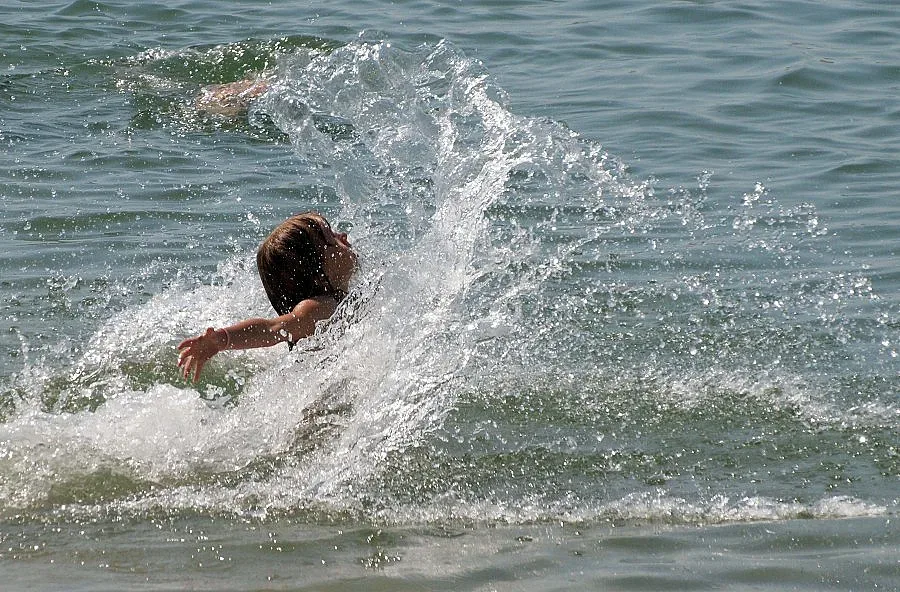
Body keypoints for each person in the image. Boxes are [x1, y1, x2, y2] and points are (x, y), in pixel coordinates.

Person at [177, 212, 357, 382]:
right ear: (317, 269)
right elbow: (272, 329)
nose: (343, 236)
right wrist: (222, 339)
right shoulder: (319, 309)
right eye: (330, 237)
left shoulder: (341, 297)